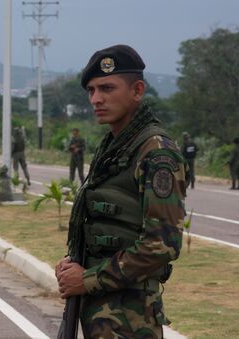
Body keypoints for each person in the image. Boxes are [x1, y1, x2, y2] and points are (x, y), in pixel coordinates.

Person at [55, 45, 187, 338]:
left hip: (131, 315)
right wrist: (75, 264)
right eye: (91, 90)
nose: (96, 99)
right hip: (104, 311)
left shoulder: (156, 152)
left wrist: (87, 278)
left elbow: (162, 245)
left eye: (107, 88)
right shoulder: (116, 146)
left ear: (137, 90)